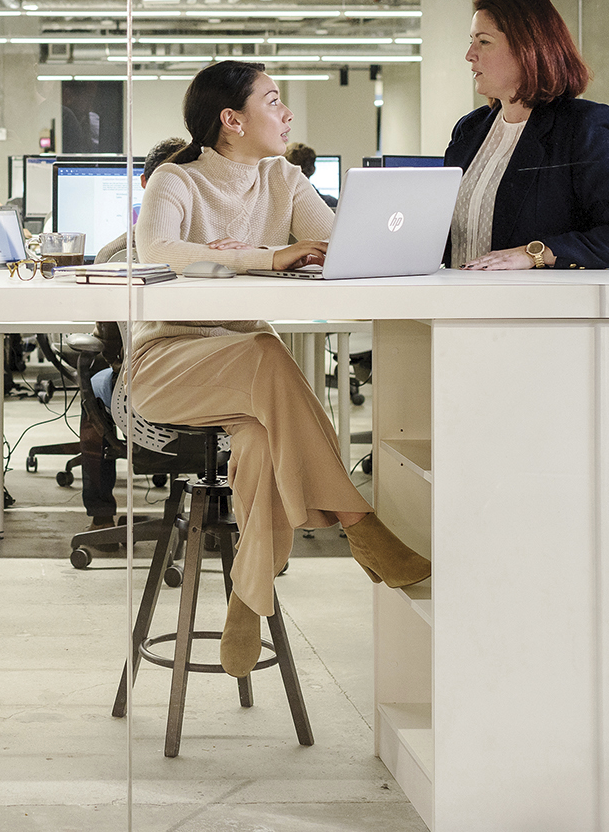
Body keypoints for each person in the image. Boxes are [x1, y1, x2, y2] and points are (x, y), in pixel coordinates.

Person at [132, 59, 430, 678]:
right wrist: (264, 258)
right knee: (268, 351)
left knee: (264, 445)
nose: (287, 112)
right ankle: (357, 520)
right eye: (273, 101)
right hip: (170, 361)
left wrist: (344, 249)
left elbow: (333, 246)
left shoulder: (283, 177)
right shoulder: (176, 179)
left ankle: (248, 597)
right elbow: (158, 251)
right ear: (231, 119)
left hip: (251, 378)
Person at [444, 0, 609, 271]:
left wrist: (533, 254)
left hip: (531, 308)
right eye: (472, 41)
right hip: (453, 305)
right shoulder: (469, 129)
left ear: (527, 49)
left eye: (484, 42)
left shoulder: (583, 126)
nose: (470, 55)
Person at [78, 136, 188, 526]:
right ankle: (223, 507)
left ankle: (102, 515)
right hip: (217, 390)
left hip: (141, 393)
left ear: (144, 184)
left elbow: (110, 343)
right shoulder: (220, 250)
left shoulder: (113, 255)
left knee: (93, 386)